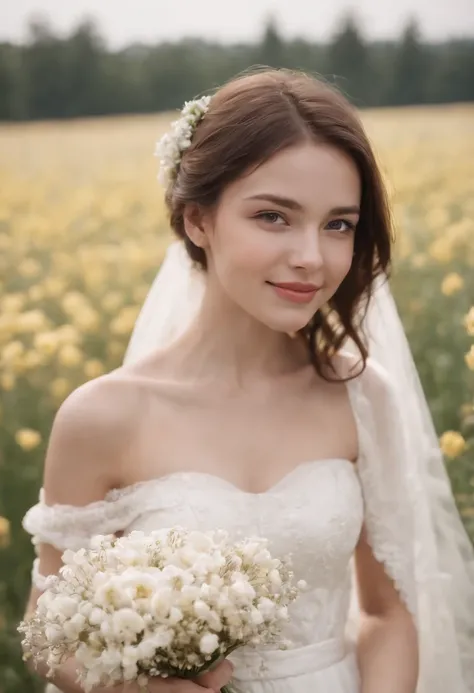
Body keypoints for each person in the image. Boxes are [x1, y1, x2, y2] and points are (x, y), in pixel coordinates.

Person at [21, 69, 474, 693]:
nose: (312, 257)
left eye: (338, 224)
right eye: (273, 217)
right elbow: (47, 631)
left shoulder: (364, 397)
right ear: (197, 220)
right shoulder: (103, 417)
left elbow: (387, 613)